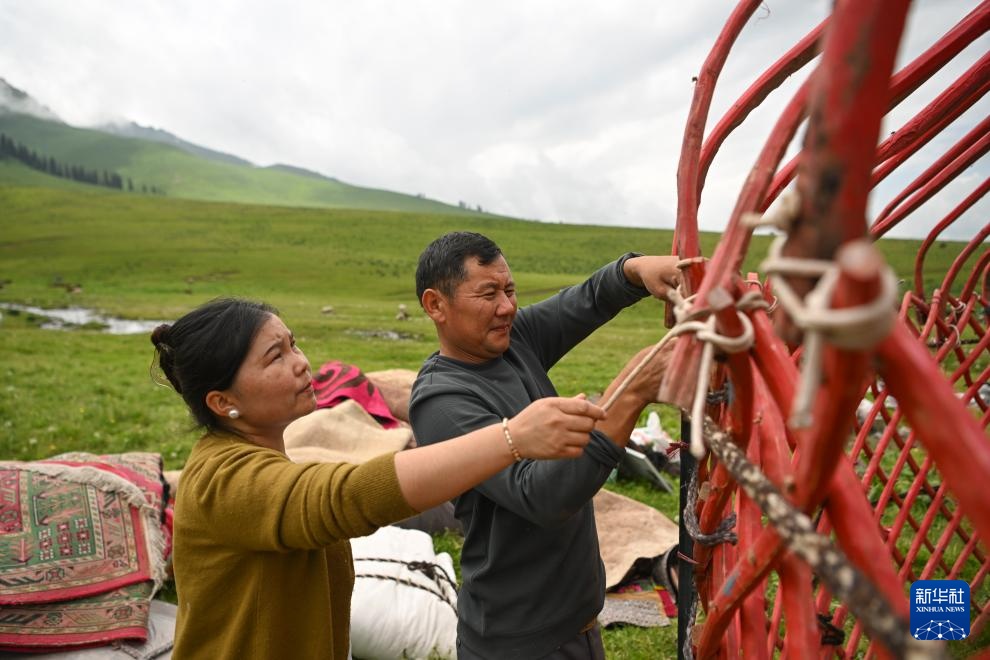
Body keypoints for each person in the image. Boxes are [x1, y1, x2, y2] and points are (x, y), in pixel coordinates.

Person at [151, 297, 607, 660]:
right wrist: (511, 438)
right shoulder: (221, 481)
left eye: (294, 343)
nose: (301, 363)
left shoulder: (262, 459)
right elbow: (343, 498)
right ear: (222, 401)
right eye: (275, 357)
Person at [410, 231, 681, 659]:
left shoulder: (514, 341)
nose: (507, 307)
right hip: (518, 641)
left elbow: (587, 300)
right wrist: (630, 393)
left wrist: (634, 270)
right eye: (488, 294)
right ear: (435, 305)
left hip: (577, 623)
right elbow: (544, 496)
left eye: (510, 289)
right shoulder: (443, 402)